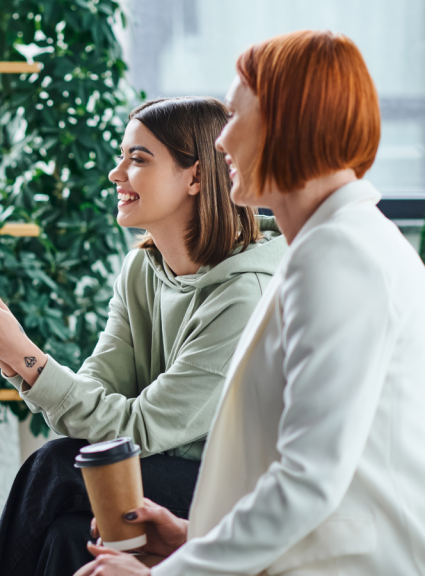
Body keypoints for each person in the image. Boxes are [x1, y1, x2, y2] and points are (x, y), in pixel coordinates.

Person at [77, 30, 425, 576]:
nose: (221, 142)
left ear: (289, 122)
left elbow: (308, 482)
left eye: (237, 116)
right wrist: (192, 539)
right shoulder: (331, 246)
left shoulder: (340, 256)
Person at [0, 97, 287, 576]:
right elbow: (95, 396)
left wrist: (20, 351)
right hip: (160, 470)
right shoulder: (141, 268)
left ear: (197, 176)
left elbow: (140, 429)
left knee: (58, 466)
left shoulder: (245, 295)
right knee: (67, 535)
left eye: (137, 159)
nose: (116, 174)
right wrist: (8, 349)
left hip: (230, 487)